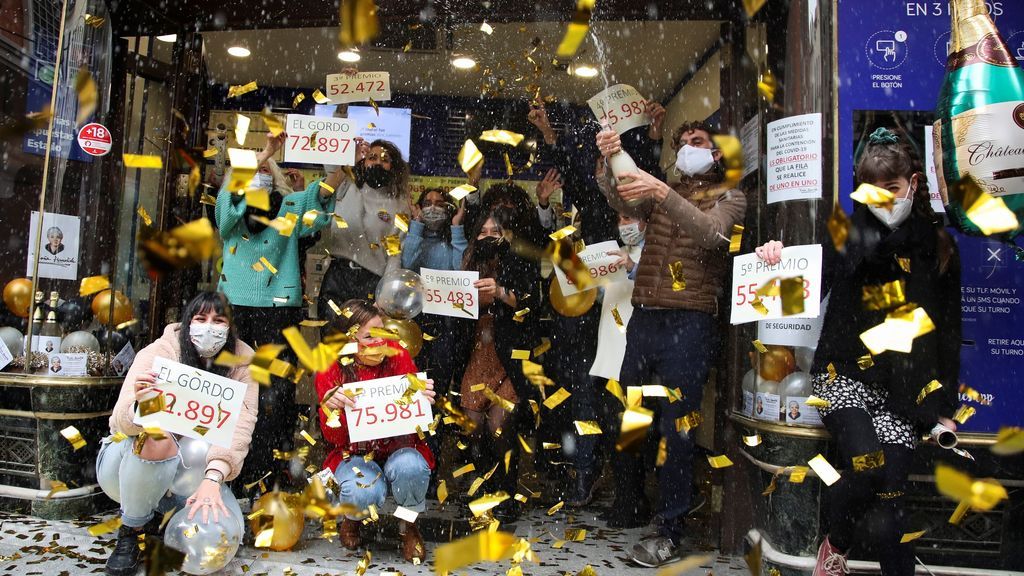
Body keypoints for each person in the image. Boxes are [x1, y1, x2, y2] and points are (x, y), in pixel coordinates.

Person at [756, 127, 961, 576]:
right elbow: (799, 290)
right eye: (873, 188)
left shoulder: (938, 246)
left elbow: (949, 333)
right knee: (868, 468)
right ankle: (835, 546)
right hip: (842, 376)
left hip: (904, 387)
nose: (884, 198)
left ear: (913, 183)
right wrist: (774, 259)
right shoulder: (845, 234)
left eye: (892, 187)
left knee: (892, 496)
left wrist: (945, 404)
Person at [595, 119, 747, 567]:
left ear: (716, 153)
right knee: (631, 417)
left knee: (678, 427)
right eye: (681, 143)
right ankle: (630, 501)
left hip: (691, 322)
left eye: (695, 142)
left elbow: (713, 234)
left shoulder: (731, 196)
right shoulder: (664, 190)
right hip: (645, 319)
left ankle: (670, 529)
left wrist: (663, 192)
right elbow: (620, 198)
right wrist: (610, 159)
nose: (686, 148)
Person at [97, 291, 258, 576]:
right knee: (157, 439)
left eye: (219, 321)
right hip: (126, 467)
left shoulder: (244, 366)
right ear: (187, 323)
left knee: (224, 532)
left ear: (230, 327)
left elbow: (240, 429)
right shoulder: (158, 352)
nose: (209, 328)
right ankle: (131, 531)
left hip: (195, 472)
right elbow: (120, 423)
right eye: (201, 319)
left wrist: (213, 479)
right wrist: (142, 405)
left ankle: (159, 515)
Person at [216, 131, 338, 493]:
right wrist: (267, 151)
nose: (260, 174)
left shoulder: (287, 208)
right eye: (254, 170)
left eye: (267, 170)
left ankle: (271, 467)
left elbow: (319, 200)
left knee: (277, 393)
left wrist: (344, 166)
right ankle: (228, 466)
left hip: (279, 310)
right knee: (231, 386)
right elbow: (225, 213)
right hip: (234, 306)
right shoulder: (231, 210)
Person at [315, 299, 437, 562]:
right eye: (369, 336)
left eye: (382, 331)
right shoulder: (330, 366)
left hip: (398, 446)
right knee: (362, 489)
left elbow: (416, 424)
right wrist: (332, 411)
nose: (379, 341)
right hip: (354, 453)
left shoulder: (397, 353)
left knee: (411, 469)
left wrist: (423, 402)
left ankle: (408, 525)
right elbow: (334, 438)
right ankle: (352, 519)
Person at [451, 208, 540, 521]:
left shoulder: (519, 261)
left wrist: (501, 293)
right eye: (483, 232)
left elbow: (530, 303)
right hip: (476, 352)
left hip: (508, 354)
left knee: (499, 426)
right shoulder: (468, 263)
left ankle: (507, 493)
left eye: (495, 232)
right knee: (473, 425)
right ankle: (484, 486)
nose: (488, 237)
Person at [570, 206, 649, 507]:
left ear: (646, 220)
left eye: (629, 218)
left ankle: (632, 496)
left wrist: (632, 267)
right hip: (608, 351)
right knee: (606, 420)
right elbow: (595, 295)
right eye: (619, 219)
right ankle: (617, 489)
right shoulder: (612, 252)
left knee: (633, 424)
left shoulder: (654, 253)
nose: (623, 224)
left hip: (637, 351)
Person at [318, 139, 411, 322]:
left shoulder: (399, 206)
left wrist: (385, 296)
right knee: (332, 334)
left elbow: (394, 255)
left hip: (372, 281)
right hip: (338, 276)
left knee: (365, 337)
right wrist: (349, 152)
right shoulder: (345, 186)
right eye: (372, 157)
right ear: (363, 161)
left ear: (393, 167)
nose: (377, 163)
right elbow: (330, 164)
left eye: (385, 159)